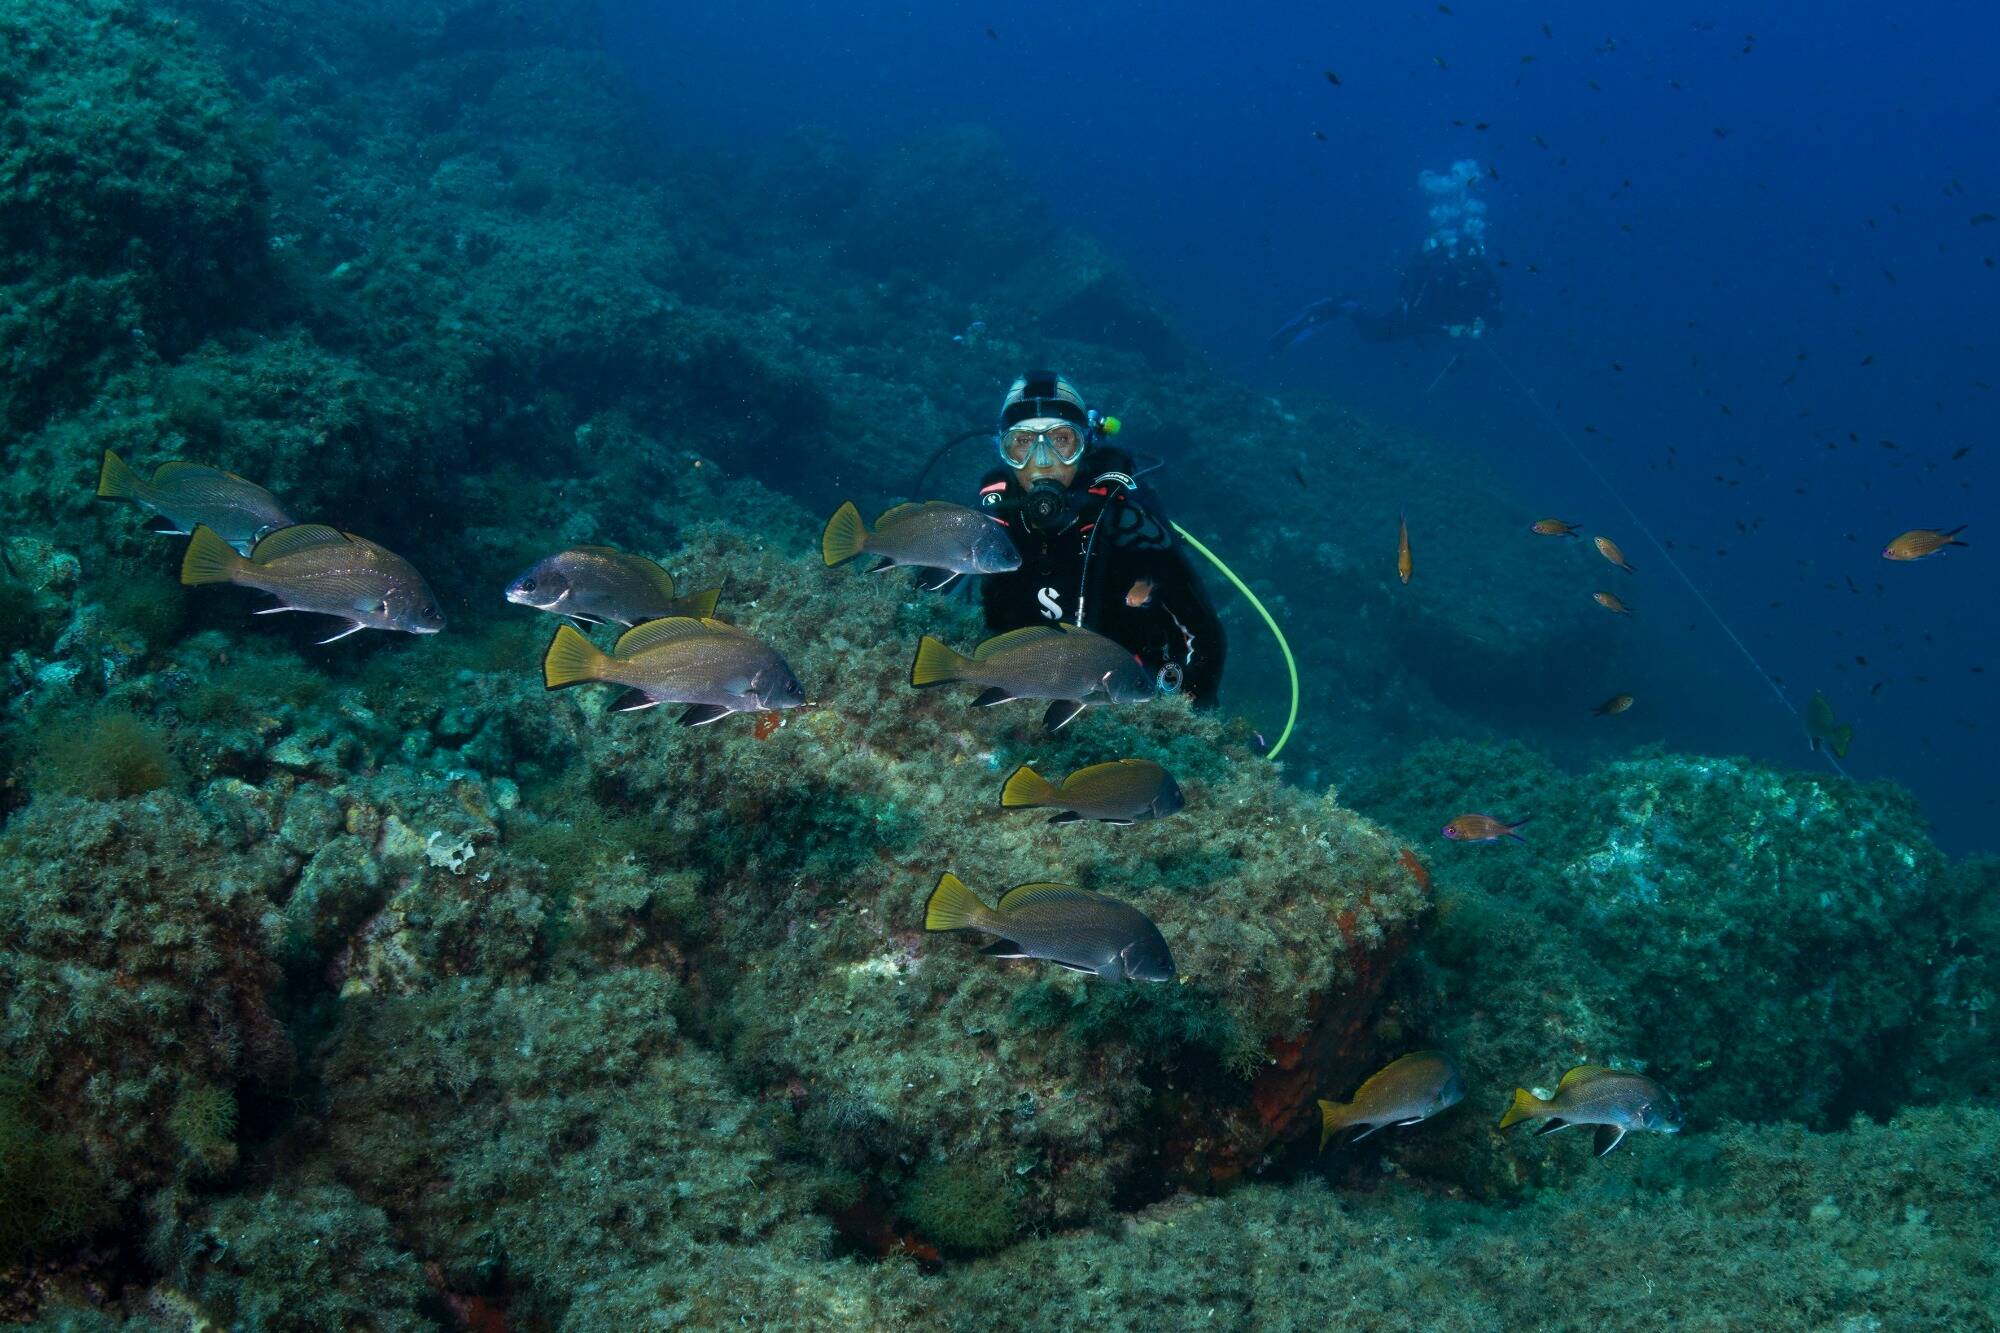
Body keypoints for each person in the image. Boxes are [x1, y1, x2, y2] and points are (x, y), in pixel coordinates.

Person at [974, 371, 1226, 707]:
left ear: (1085, 444)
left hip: (1129, 694)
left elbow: (1205, 637)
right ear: (1003, 450)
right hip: (1028, 686)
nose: (1043, 461)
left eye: (1062, 439)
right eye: (1022, 442)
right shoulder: (995, 517)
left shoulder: (1124, 520)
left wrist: (1183, 708)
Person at [1343, 243, 1503, 343]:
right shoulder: (1443, 276)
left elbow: (1497, 314)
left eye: (1475, 266)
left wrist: (1484, 327)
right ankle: (1348, 305)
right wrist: (1448, 329)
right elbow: (1418, 314)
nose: (1472, 272)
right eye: (1467, 265)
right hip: (1425, 319)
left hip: (1447, 327)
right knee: (1373, 334)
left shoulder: (1485, 279)